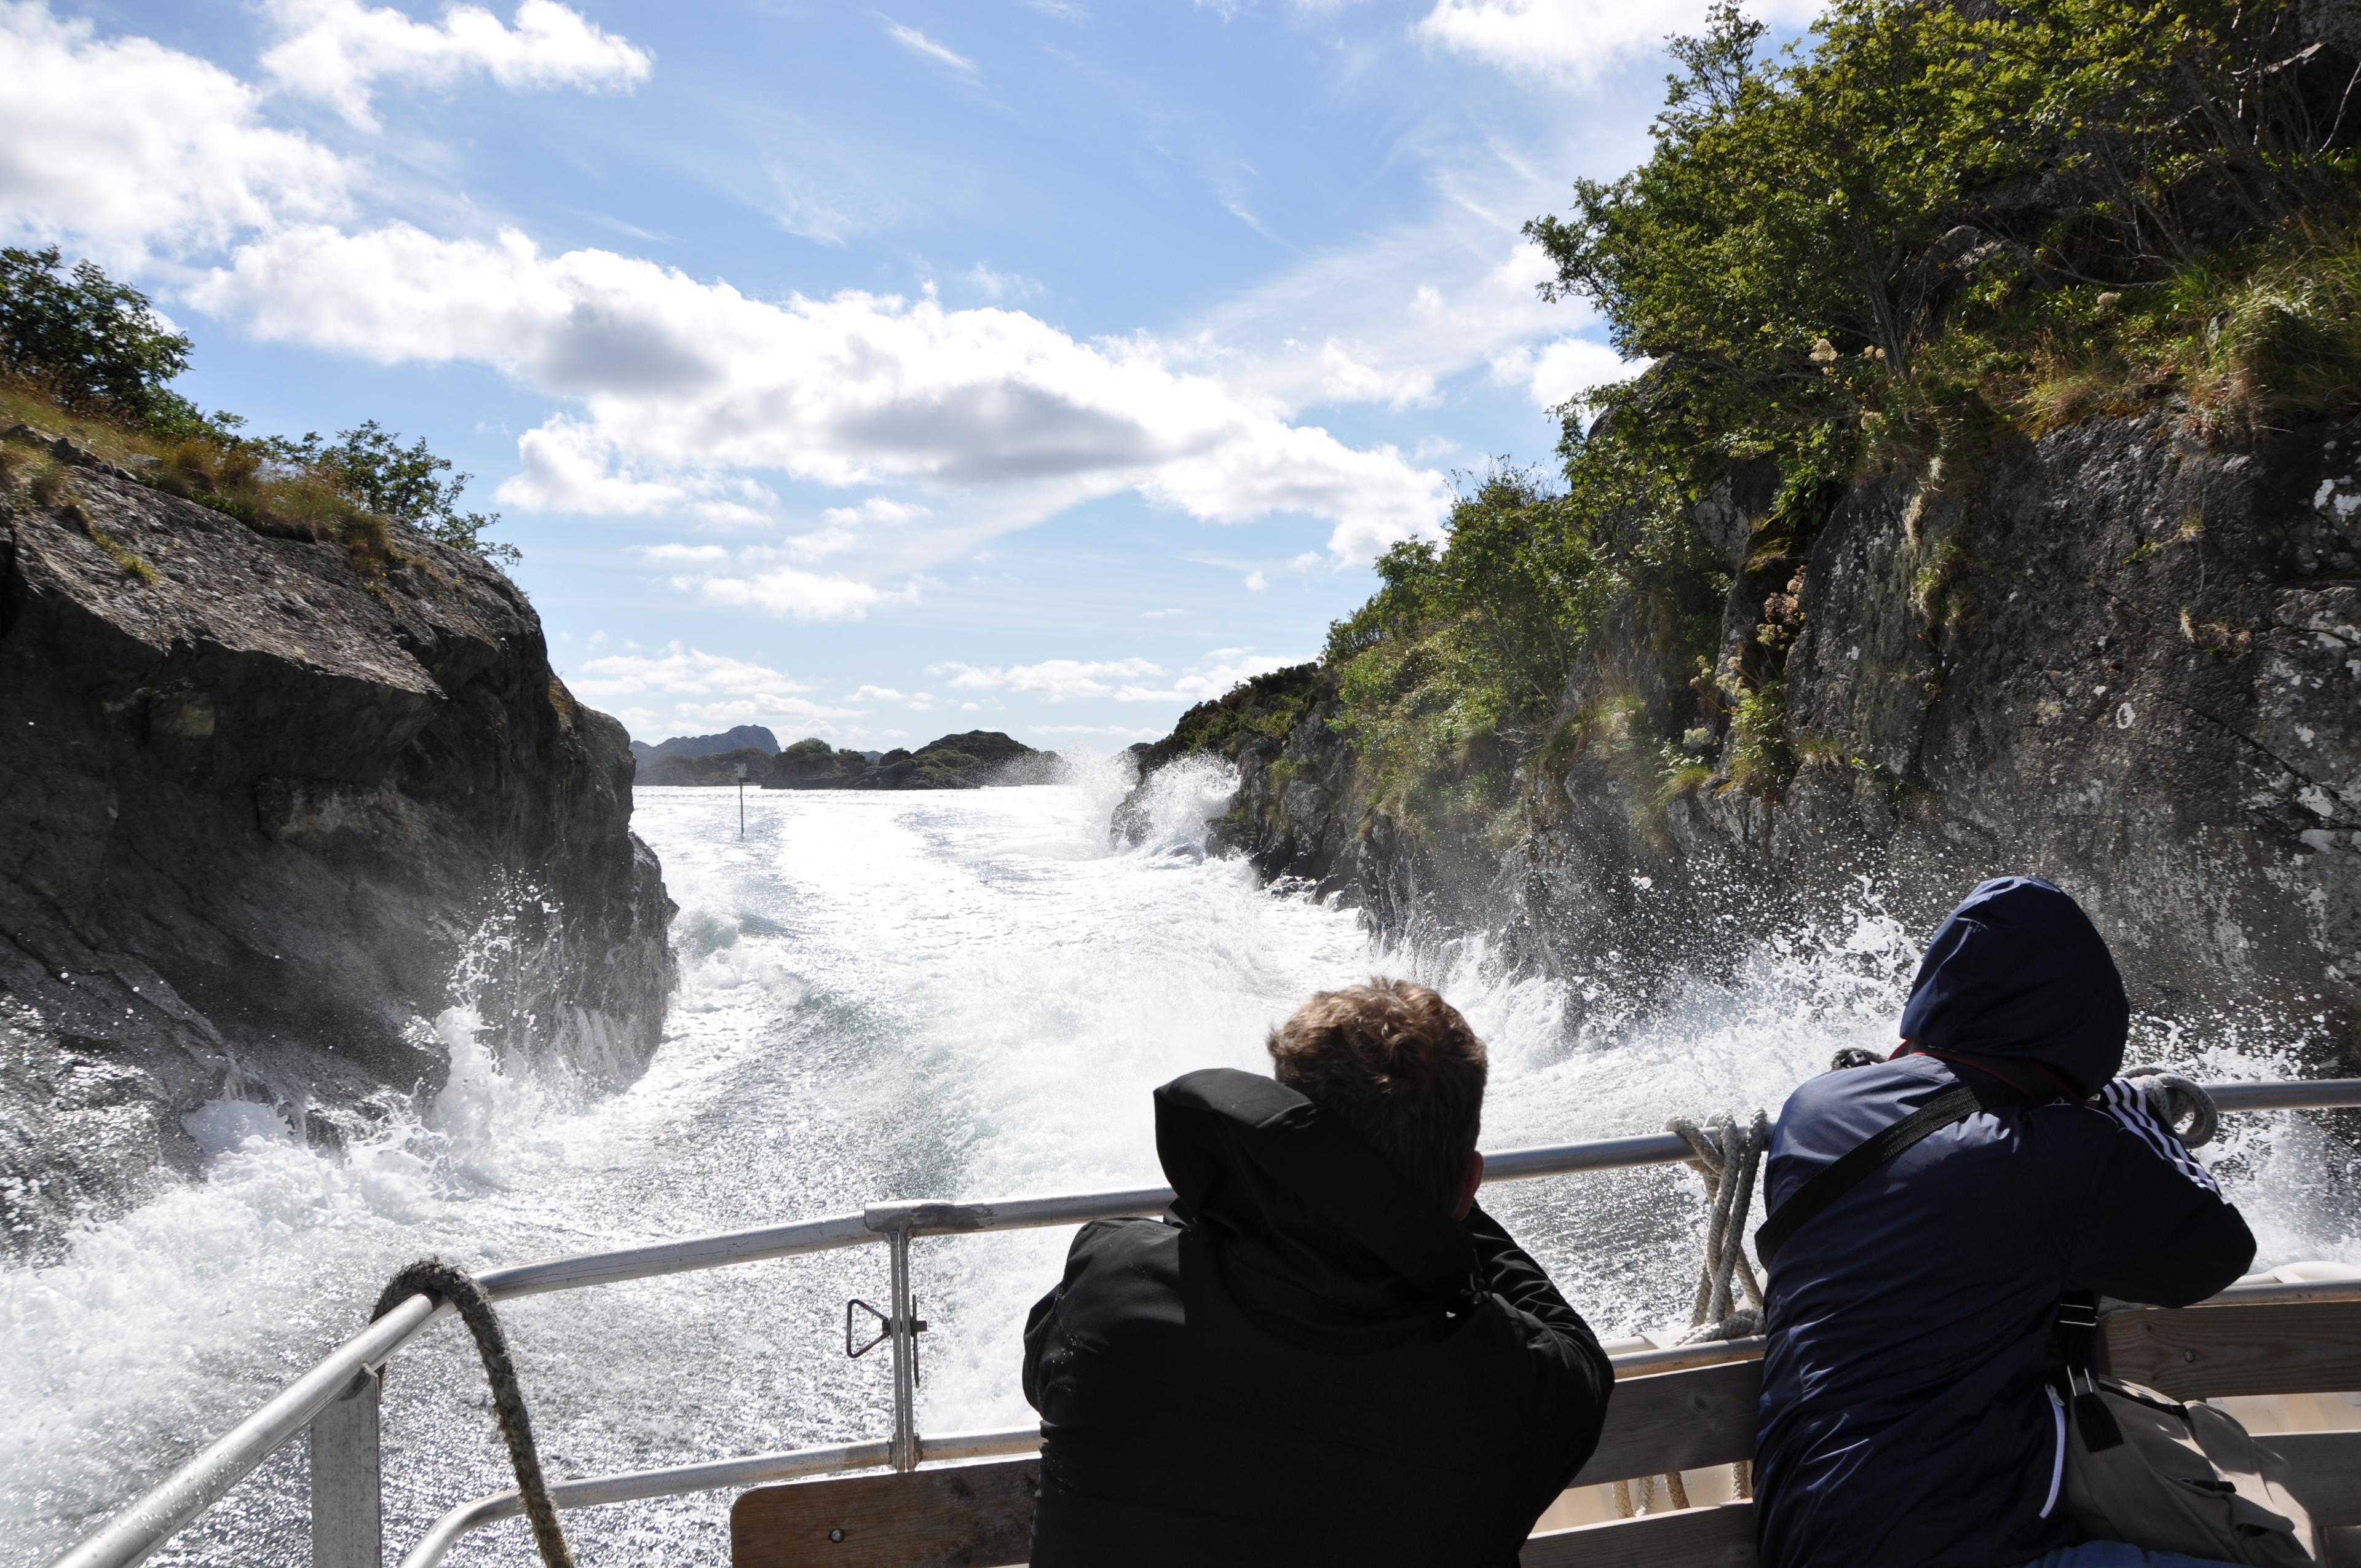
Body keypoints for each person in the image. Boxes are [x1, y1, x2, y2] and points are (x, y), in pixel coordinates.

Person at [1753, 875, 2257, 1568]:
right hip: (1964, 1546)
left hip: (1801, 1534)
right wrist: (2134, 1117)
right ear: (2089, 1019)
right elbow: (2217, 1251)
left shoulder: (1814, 1107)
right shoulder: (2057, 1154)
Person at [1021, 978, 1614, 1567]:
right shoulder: (1520, 1392)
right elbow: (1577, 1351)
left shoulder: (1111, 1278)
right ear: (1468, 1184)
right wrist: (1433, 1203)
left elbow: (1041, 1373)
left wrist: (1246, 1183)